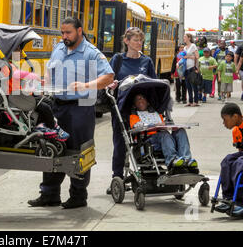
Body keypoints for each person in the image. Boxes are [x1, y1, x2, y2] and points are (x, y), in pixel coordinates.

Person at [28, 17, 114, 209]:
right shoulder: (59, 48)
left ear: (80, 31)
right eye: (62, 33)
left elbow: (109, 76)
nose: (64, 36)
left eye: (68, 33)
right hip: (57, 105)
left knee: (79, 151)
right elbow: (50, 70)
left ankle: (78, 196)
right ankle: (49, 194)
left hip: (81, 107)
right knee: (52, 146)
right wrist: (45, 84)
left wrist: (87, 85)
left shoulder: (91, 53)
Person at [106, 27, 156, 194]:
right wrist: (111, 84)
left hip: (141, 109)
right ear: (126, 41)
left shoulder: (146, 61)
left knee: (144, 141)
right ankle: (117, 177)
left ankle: (146, 174)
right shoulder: (118, 60)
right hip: (121, 109)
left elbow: (154, 84)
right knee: (120, 144)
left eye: (141, 40)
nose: (139, 43)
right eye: (135, 40)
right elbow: (109, 78)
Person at [130, 94, 197, 169]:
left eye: (142, 98)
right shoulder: (134, 116)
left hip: (163, 138)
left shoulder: (156, 114)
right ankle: (172, 160)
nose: (140, 101)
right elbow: (137, 127)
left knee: (180, 131)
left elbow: (163, 126)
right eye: (137, 100)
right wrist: (154, 125)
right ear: (135, 105)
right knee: (164, 134)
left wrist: (171, 127)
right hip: (148, 141)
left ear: (148, 102)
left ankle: (186, 159)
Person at [216, 103, 243, 216]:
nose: (224, 123)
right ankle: (228, 197)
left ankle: (240, 202)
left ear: (235, 117)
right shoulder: (236, 131)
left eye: (225, 119)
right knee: (227, 160)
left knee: (239, 163)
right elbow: (240, 151)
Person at [182, 33, 200, 107]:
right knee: (188, 85)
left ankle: (195, 101)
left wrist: (188, 57)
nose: (184, 38)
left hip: (192, 68)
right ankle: (190, 101)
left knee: (193, 85)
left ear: (189, 38)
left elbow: (197, 56)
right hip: (186, 68)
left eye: (185, 37)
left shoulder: (193, 46)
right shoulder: (185, 47)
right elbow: (183, 57)